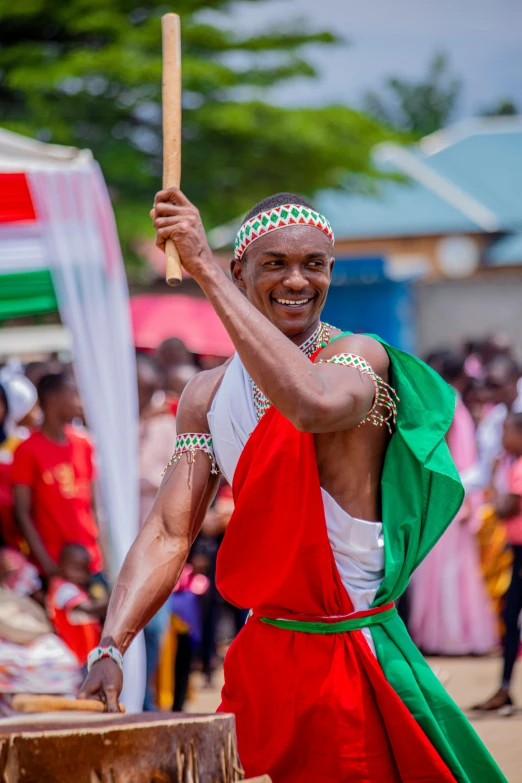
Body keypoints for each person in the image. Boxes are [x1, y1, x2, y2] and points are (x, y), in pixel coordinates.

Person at [80, 188, 506, 783]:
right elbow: (169, 532)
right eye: (275, 263)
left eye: (314, 264)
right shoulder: (205, 397)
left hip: (352, 657)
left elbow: (310, 406)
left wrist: (201, 267)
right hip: (263, 659)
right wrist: (111, 646)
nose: (297, 281)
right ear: (242, 270)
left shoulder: (359, 359)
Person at [409, 351, 497, 655]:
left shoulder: (445, 403)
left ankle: (447, 637)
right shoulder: (457, 404)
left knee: (444, 568)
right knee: (455, 567)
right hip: (460, 494)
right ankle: (456, 634)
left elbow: (439, 451)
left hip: (447, 495)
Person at [11, 372, 103, 578]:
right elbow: (22, 514)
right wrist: (48, 565)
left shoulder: (84, 443)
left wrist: (101, 552)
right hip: (55, 564)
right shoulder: (27, 450)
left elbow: (93, 506)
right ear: (54, 399)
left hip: (90, 561)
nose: (80, 402)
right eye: (74, 395)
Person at [135, 352, 178, 710]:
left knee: (153, 628)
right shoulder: (110, 424)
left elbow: (170, 478)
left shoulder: (165, 428)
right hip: (112, 544)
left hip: (156, 540)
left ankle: (147, 702)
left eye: (144, 390)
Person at [474, 412, 522, 714]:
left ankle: (504, 688)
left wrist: (492, 482)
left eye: (507, 432)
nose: (502, 439)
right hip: (517, 550)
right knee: (510, 617)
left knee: (511, 616)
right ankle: (504, 688)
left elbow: (506, 508)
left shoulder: (517, 468)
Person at [462, 356, 522, 493]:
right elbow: (484, 471)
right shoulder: (493, 421)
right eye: (487, 386)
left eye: (496, 385)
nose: (491, 393)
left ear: (515, 379)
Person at [47, 544, 106, 669]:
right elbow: (90, 610)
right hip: (78, 658)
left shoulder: (76, 588)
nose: (83, 574)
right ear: (60, 566)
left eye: (86, 569)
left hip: (86, 656)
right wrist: (115, 599)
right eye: (77, 568)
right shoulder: (64, 588)